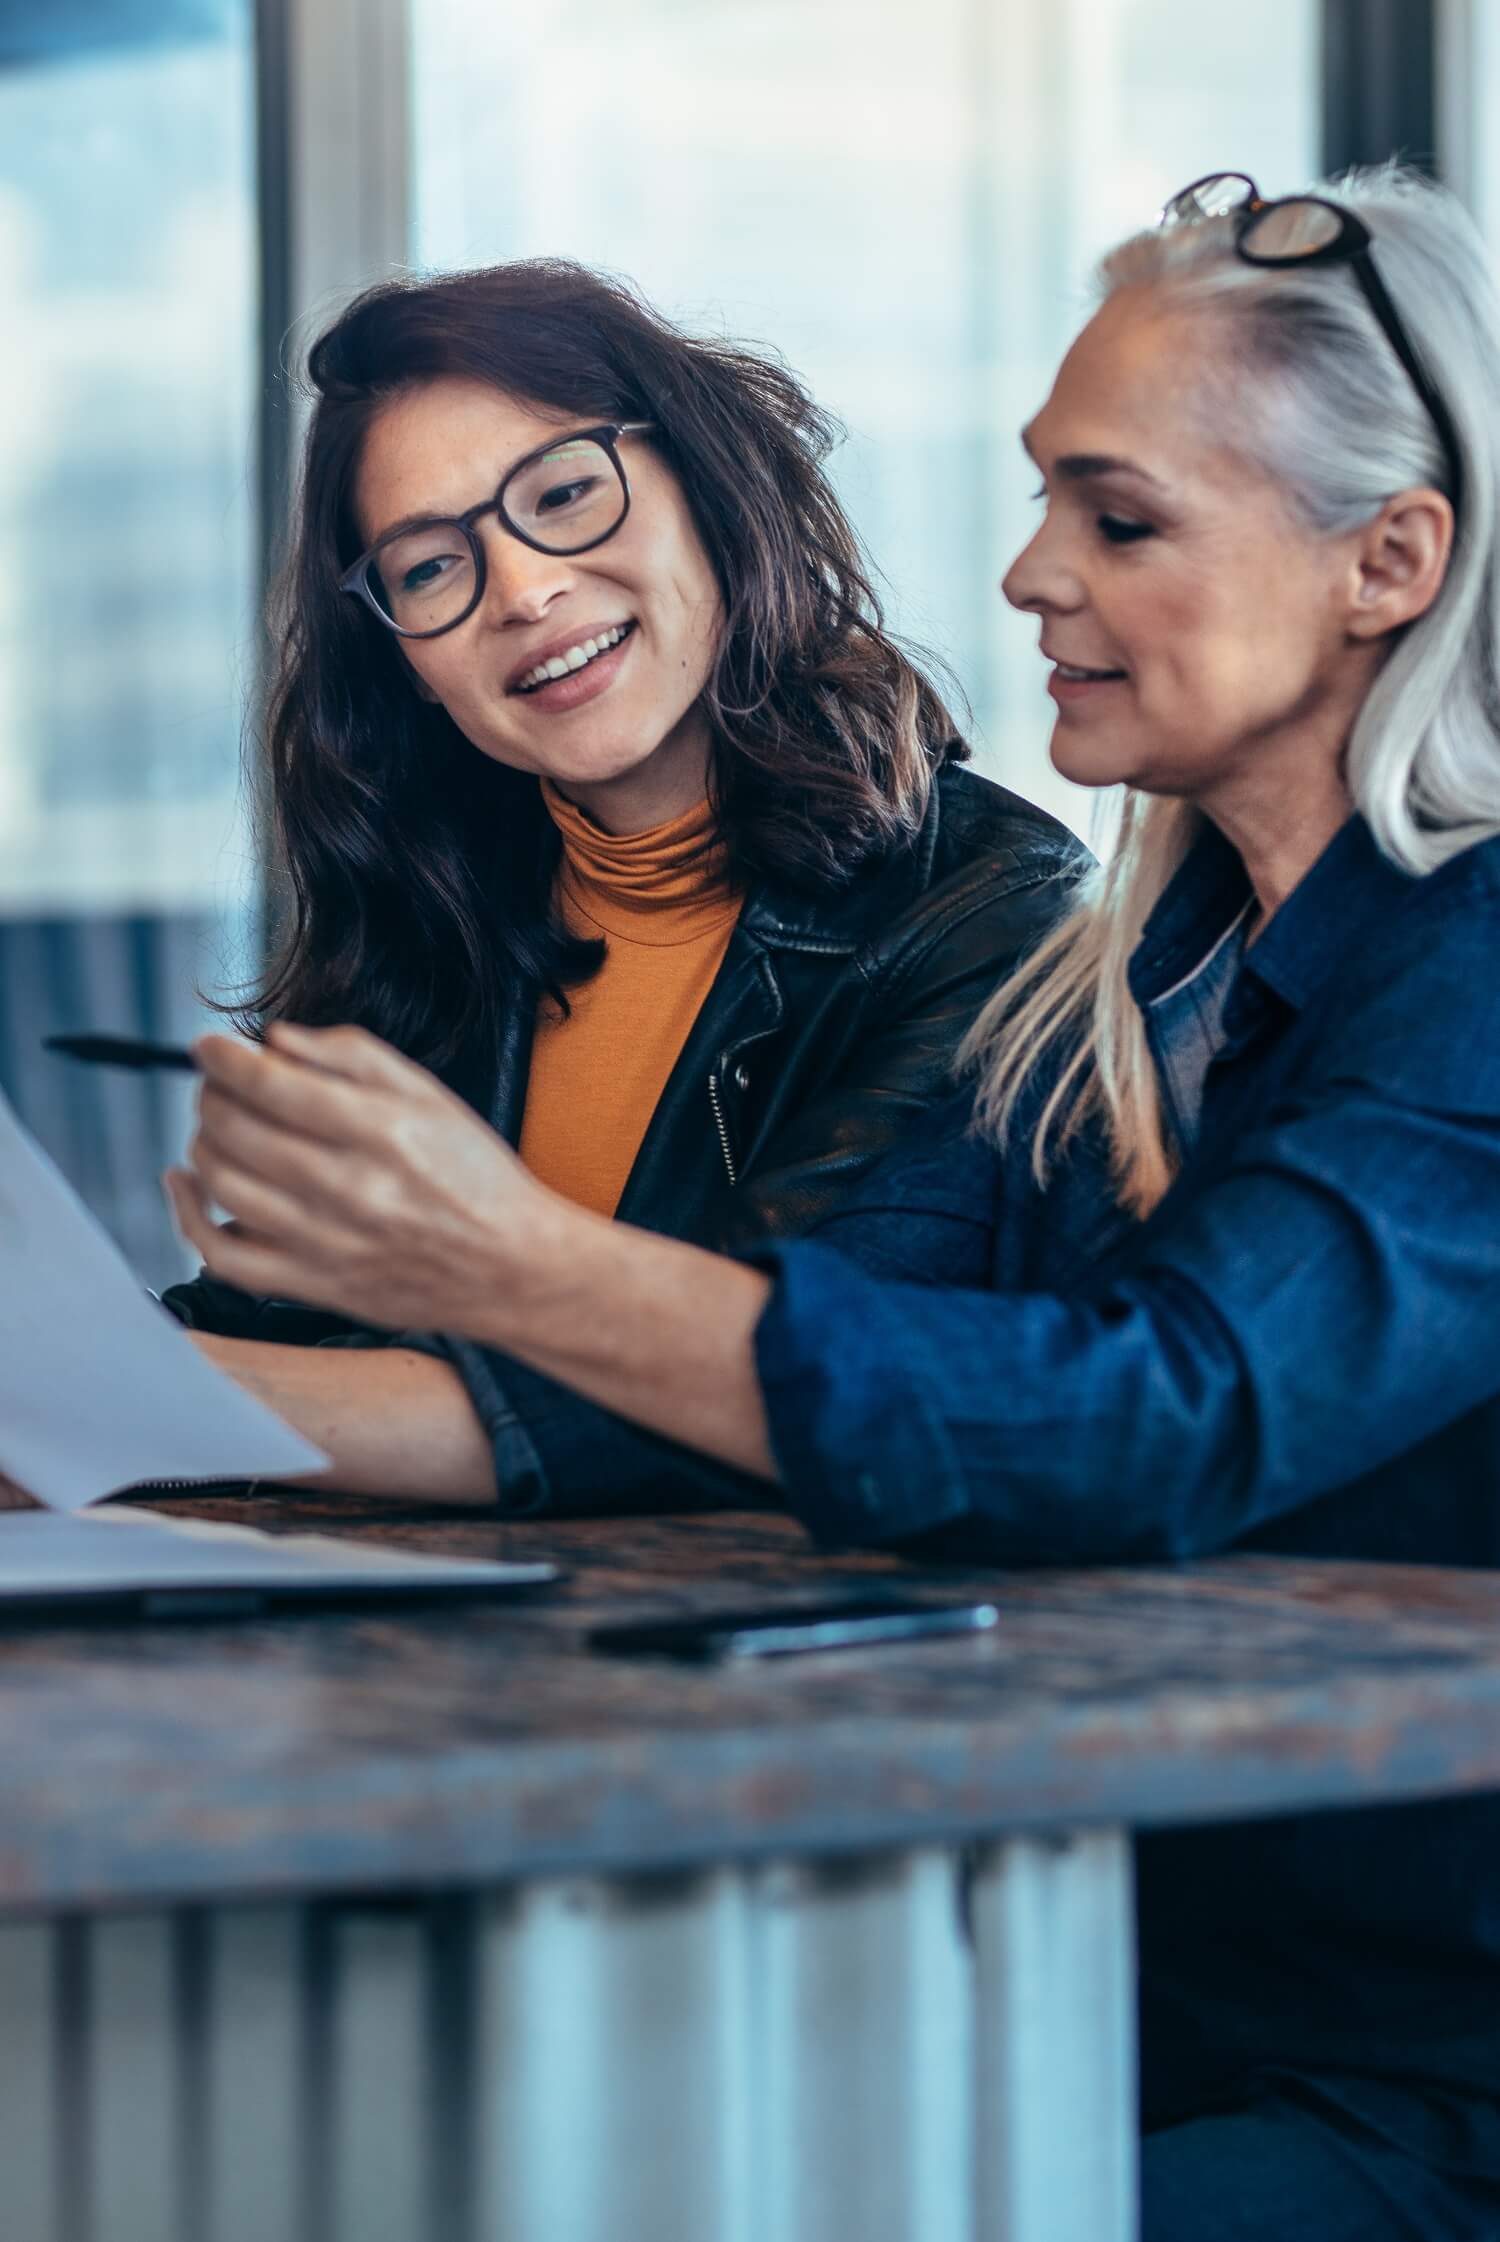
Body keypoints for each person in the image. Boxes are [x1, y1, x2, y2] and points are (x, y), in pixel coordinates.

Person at [174, 167, 1500, 2237]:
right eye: (426, 564)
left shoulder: (1448, 961)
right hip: (1115, 1965)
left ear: (1387, 561)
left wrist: (499, 1257)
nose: (1030, 571)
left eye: (1119, 516)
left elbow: (1154, 1411)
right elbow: (804, 1332)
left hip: (1409, 2064)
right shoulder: (1133, 983)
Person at [161, 259, 1083, 1503]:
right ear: (401, 661)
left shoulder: (990, 911)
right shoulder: (427, 905)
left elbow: (777, 1392)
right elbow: (280, 1323)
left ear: (708, 486)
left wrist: (154, 1407)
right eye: (431, 566)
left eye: (565, 493)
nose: (527, 591)